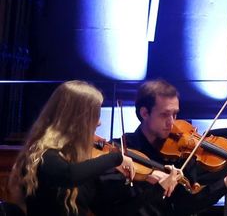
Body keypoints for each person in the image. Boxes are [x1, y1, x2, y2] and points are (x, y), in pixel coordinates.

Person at [8, 80, 152, 216]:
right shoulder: (43, 156)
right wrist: (117, 158)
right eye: (95, 115)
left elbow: (110, 212)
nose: (99, 123)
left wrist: (154, 190)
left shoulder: (81, 161)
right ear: (77, 119)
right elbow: (68, 175)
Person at [121, 79, 227, 214]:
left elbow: (189, 204)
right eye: (164, 115)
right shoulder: (123, 148)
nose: (171, 122)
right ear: (144, 113)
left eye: (175, 114)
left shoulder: (181, 151)